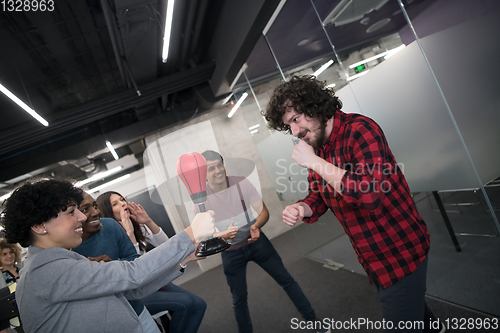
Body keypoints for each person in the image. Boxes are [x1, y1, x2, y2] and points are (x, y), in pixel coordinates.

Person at [263, 75, 441, 332]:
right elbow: (318, 194)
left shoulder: (360, 130)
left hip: (400, 249)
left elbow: (369, 195)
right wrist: (302, 207)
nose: (295, 131)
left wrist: (314, 162)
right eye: (288, 126)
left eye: (295, 119)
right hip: (371, 254)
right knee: (413, 311)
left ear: (313, 106)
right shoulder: (319, 145)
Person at [0, 178, 215, 333]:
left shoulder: (62, 260)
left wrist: (183, 259)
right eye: (71, 212)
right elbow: (133, 273)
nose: (82, 217)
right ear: (39, 225)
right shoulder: (45, 270)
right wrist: (189, 233)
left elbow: (130, 289)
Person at [199, 150, 328, 333]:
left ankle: (312, 320)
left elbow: (263, 212)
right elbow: (204, 234)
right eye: (211, 168)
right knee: (239, 300)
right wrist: (222, 235)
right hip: (230, 252)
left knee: (286, 280)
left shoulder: (240, 182)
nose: (218, 170)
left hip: (257, 242)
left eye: (219, 164)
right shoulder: (202, 199)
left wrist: (256, 226)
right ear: (203, 173)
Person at [96, 191, 207, 333]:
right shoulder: (110, 237)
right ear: (107, 211)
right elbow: (135, 269)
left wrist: (148, 221)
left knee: (199, 305)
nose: (123, 203)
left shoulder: (136, 225)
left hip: (153, 282)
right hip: (135, 292)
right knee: (186, 304)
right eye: (115, 203)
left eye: (122, 199)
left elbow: (166, 246)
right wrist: (129, 234)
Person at [73, 191, 161, 333]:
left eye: (95, 206)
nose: (95, 212)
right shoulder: (66, 247)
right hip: (105, 323)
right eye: (85, 209)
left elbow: (134, 260)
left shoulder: (110, 226)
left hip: (135, 309)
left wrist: (114, 266)